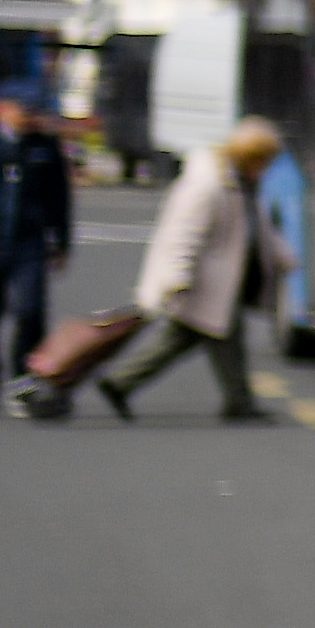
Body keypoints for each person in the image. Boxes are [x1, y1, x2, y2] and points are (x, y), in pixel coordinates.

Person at [65, 115, 292, 424]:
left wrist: (282, 254)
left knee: (200, 338)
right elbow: (183, 235)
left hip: (219, 281)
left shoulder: (237, 182)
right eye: (263, 161)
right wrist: (177, 277)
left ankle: (125, 383)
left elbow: (257, 225)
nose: (264, 170)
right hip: (205, 282)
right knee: (205, 337)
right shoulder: (209, 185)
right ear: (248, 156)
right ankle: (234, 402)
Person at [0, 95, 64, 401]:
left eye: (32, 110)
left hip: (29, 242)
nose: (29, 116)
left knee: (31, 309)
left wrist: (61, 241)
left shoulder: (44, 148)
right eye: (23, 110)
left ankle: (23, 380)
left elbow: (59, 198)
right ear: (3, 109)